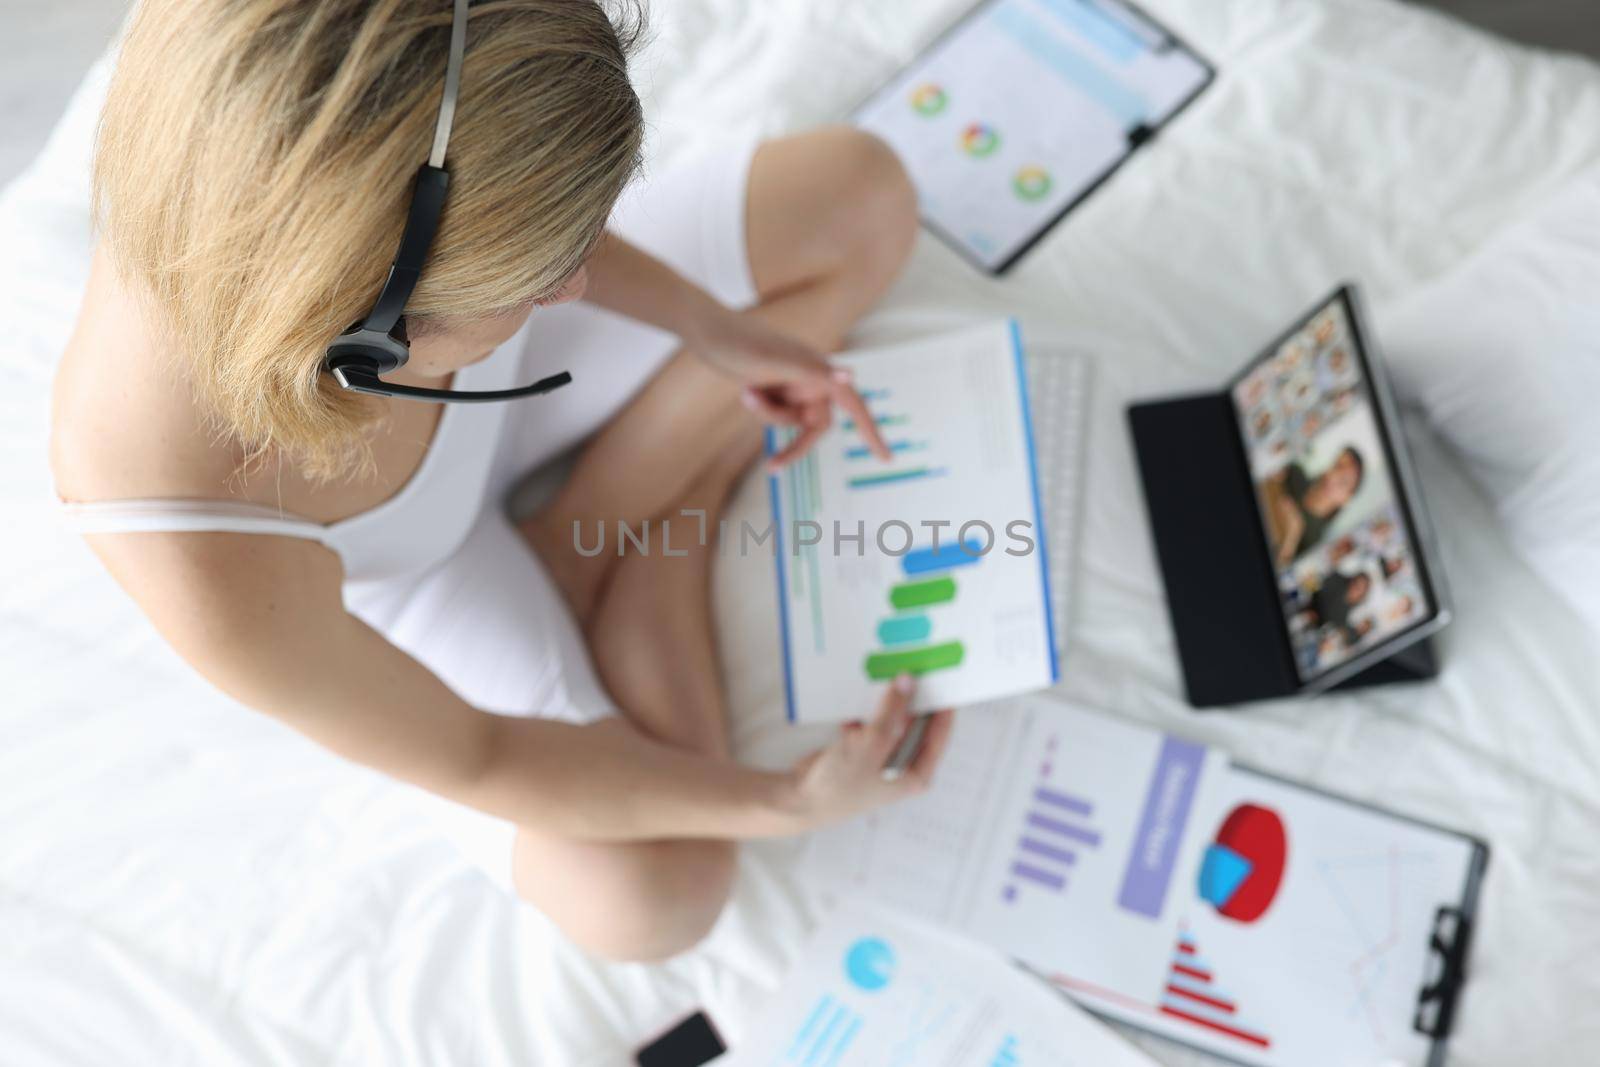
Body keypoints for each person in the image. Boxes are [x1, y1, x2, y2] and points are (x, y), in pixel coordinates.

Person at [49, 0, 953, 962]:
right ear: (366, 332)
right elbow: (480, 754)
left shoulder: (305, 126)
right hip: (422, 565)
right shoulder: (187, 537)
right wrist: (791, 800)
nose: (575, 282)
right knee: (656, 896)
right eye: (542, 272)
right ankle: (651, 536)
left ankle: (606, 519)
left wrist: (711, 328)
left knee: (860, 192)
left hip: (454, 298)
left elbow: (503, 211)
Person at [1260, 446, 1366, 566]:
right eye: (1337, 465)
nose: (1332, 476)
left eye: (1343, 482)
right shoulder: (1294, 471)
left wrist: (1291, 537)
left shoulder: (1316, 544)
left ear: (1346, 499)